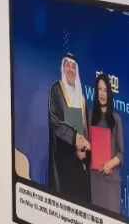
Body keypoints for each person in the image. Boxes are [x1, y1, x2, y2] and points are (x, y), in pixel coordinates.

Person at [48, 54, 91, 204]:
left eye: (73, 67)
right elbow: (54, 120)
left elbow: (85, 129)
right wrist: (74, 138)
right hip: (63, 157)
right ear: (62, 68)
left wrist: (83, 148)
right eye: (67, 66)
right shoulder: (56, 89)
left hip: (79, 159)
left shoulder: (81, 98)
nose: (70, 70)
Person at [88, 73, 124, 215]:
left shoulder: (116, 119)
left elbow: (120, 153)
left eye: (105, 90)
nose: (102, 94)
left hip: (111, 180)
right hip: (95, 180)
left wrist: (109, 165)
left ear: (109, 93)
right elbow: (87, 146)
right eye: (99, 89)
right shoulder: (90, 116)